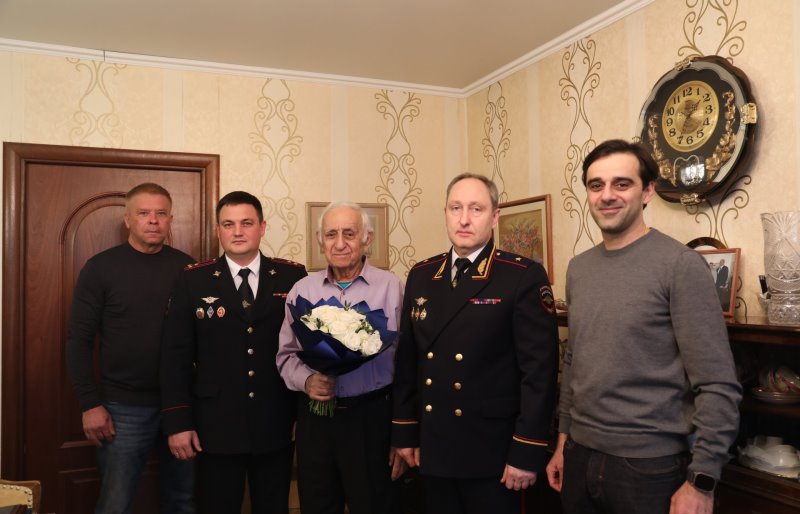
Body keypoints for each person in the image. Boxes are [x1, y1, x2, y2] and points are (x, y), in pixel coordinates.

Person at [545, 139, 742, 514]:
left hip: (650, 470)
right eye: (596, 185)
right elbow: (574, 361)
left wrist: (702, 480)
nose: (607, 195)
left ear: (648, 191)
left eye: (622, 183)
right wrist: (563, 441)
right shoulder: (579, 268)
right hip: (579, 457)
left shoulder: (680, 265)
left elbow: (718, 383)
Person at [392, 173, 559, 514]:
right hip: (434, 447)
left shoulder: (520, 275)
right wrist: (405, 432)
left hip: (494, 455)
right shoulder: (422, 274)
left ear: (495, 217)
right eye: (456, 208)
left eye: (476, 209)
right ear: (445, 214)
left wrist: (527, 450)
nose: (464, 219)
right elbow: (408, 362)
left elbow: (539, 374)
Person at [160, 191, 307, 514]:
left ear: (262, 227)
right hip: (215, 425)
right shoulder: (193, 279)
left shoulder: (291, 276)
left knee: (274, 507)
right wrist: (178, 422)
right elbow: (175, 357)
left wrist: (302, 414)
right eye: (228, 224)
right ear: (218, 230)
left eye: (246, 223)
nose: (237, 231)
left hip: (276, 422)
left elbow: (304, 350)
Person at [66, 182, 195, 514]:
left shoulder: (188, 269)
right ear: (127, 220)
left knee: (183, 500)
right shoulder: (100, 268)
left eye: (161, 213)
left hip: (180, 406)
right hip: (122, 408)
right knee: (116, 503)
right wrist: (90, 403)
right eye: (143, 213)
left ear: (170, 220)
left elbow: (204, 340)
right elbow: (79, 341)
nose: (153, 220)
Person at [276, 201, 406, 514]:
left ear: (367, 238)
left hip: (371, 419)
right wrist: (308, 380)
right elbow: (286, 355)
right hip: (316, 421)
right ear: (320, 240)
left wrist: (403, 433)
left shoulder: (392, 288)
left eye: (349, 233)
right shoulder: (301, 291)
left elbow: (409, 364)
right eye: (331, 234)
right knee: (317, 505)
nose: (339, 243)